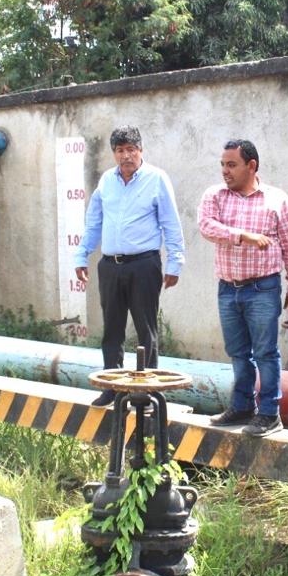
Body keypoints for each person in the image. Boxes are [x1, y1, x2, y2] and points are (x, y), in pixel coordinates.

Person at [198, 139, 288, 437]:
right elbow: (206, 227)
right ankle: (242, 406)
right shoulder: (215, 196)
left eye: (232, 165)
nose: (225, 171)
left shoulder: (276, 199)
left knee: (265, 352)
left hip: (263, 288)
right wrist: (244, 236)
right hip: (228, 288)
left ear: (251, 166)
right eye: (222, 164)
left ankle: (270, 413)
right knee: (237, 352)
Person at [75, 126, 185, 406]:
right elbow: (94, 222)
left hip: (143, 265)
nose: (126, 156)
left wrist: (175, 262)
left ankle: (145, 393)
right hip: (110, 266)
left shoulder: (156, 179)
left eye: (131, 150)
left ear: (141, 150)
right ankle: (112, 387)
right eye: (120, 150)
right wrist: (81, 256)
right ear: (114, 153)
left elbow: (171, 223)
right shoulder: (106, 182)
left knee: (145, 330)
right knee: (112, 329)